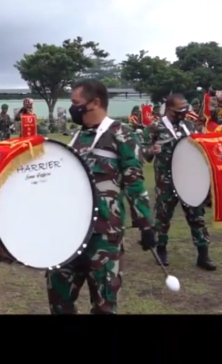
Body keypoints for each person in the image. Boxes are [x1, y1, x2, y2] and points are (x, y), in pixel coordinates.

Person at [46, 79, 155, 315]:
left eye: (76, 103)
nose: (72, 108)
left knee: (104, 305)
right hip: (69, 234)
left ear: (95, 102)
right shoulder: (76, 137)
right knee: (58, 300)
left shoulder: (121, 134)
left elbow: (134, 182)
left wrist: (145, 224)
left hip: (105, 235)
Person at [142, 93, 216, 271]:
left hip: (189, 180)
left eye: (185, 109)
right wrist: (152, 150)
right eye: (179, 110)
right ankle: (161, 250)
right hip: (166, 182)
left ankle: (203, 255)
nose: (183, 113)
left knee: (197, 217)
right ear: (168, 109)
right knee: (162, 218)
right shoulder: (154, 128)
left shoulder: (188, 125)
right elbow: (144, 154)